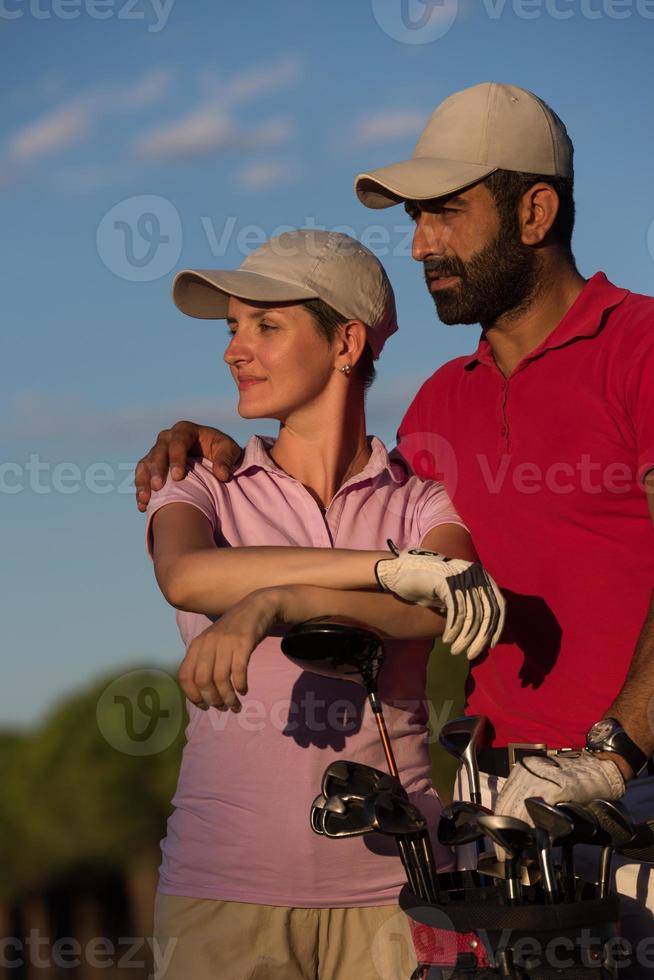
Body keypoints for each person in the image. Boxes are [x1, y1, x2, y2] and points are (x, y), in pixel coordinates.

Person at [136, 83, 654, 975]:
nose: (420, 245)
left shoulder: (642, 346)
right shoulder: (436, 410)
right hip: (495, 810)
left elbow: (416, 590)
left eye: (446, 213)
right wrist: (208, 444)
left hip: (636, 789)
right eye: (415, 220)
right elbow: (406, 566)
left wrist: (613, 756)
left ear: (536, 211)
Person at [144, 228, 504, 980]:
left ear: (346, 342)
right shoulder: (202, 482)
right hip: (222, 899)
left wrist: (278, 601)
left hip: (401, 897)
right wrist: (388, 569)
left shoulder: (421, 499)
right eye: (233, 328)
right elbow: (188, 577)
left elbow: (446, 607)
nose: (233, 350)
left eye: (265, 326)